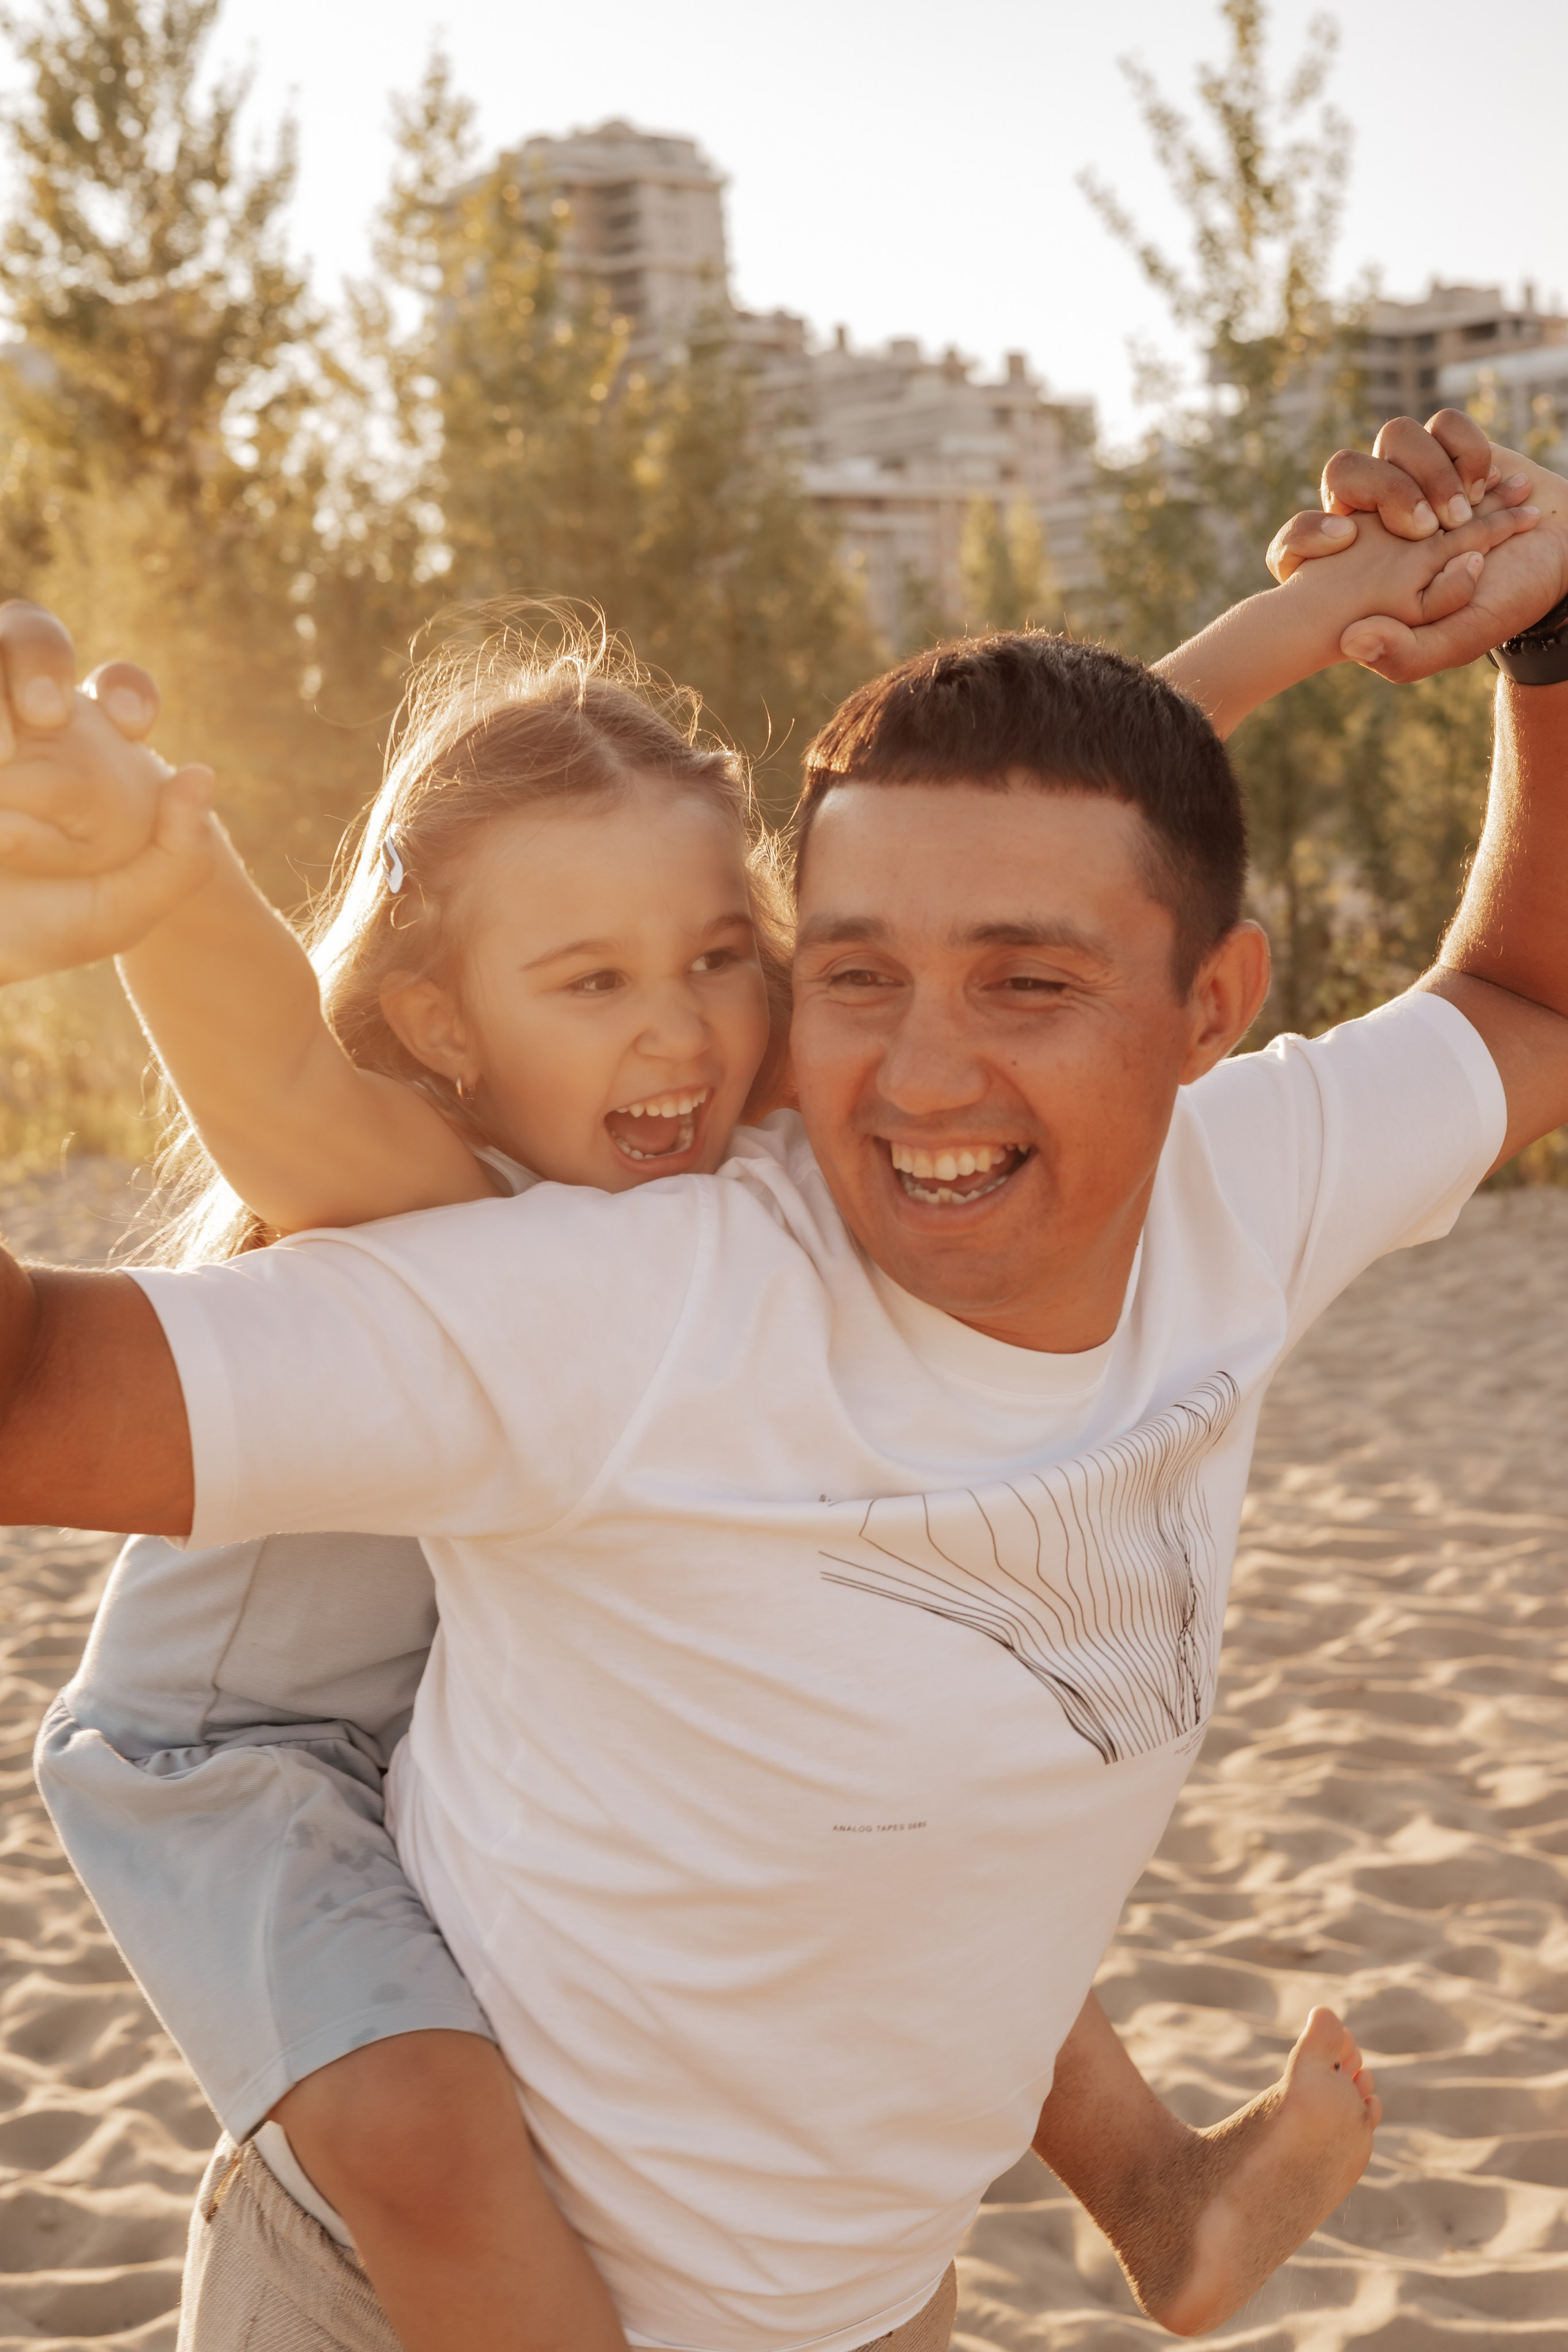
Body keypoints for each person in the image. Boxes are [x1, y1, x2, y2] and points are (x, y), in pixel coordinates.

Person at [4, 406, 1564, 2352]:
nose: (677, 1028)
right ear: (447, 1019)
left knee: (920, 1729)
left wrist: (1354, 612)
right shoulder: (499, 1221)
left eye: (725, 954)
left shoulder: (756, 1102)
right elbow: (278, 1116)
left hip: (579, 1819)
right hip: (263, 1745)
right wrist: (157, 875)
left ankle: (1153, 2184)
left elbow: (1029, 816)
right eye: (589, 984)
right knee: (421, 2122)